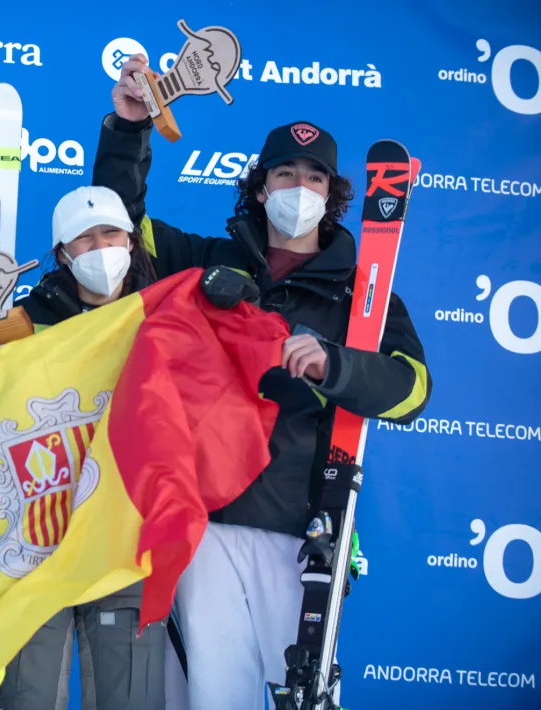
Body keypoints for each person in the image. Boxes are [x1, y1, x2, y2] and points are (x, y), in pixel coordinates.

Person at [92, 54, 433, 709]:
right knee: (208, 693)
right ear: (259, 187)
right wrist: (129, 129)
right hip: (203, 515)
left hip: (299, 528)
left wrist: (336, 364)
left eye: (314, 177)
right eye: (285, 173)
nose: (299, 186)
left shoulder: (361, 294)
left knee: (293, 693)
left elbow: (412, 390)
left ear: (331, 196)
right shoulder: (205, 262)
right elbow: (117, 230)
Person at [0, 184, 169, 710]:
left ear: (131, 241)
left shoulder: (161, 319)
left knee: (130, 699)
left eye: (111, 234)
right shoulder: (22, 324)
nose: (100, 248)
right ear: (62, 253)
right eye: (84, 239)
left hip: (123, 536)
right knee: (29, 696)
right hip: (38, 539)